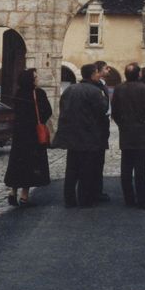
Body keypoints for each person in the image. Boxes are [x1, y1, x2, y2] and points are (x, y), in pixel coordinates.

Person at [52, 63, 109, 208]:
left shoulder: (69, 89)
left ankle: (69, 199)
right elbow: (102, 111)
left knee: (71, 170)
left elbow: (63, 109)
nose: (98, 74)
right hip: (88, 136)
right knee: (86, 170)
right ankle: (85, 199)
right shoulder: (95, 91)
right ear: (92, 74)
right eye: (97, 72)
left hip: (72, 137)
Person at [111, 62, 145, 210]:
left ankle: (129, 198)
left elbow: (115, 112)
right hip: (142, 131)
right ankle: (142, 199)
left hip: (126, 131)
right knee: (140, 167)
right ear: (139, 74)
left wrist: (122, 125)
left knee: (126, 166)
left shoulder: (118, 89)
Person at [4, 68, 52, 208]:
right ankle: (24, 197)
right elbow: (47, 111)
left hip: (19, 135)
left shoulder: (18, 93)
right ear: (30, 80)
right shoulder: (38, 93)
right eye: (35, 77)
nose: (37, 79)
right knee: (31, 164)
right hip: (33, 135)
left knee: (17, 163)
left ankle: (13, 192)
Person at [93, 60, 111, 202]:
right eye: (106, 68)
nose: (109, 69)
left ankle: (98, 190)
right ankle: (93, 192)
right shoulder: (95, 87)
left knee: (99, 162)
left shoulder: (103, 84)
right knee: (94, 162)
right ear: (98, 71)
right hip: (96, 129)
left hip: (103, 127)